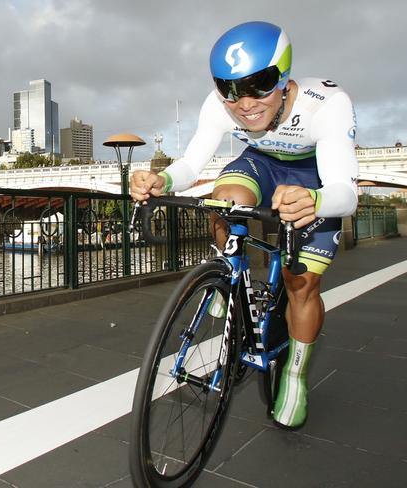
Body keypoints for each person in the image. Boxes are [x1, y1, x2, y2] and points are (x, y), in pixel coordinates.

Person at [130, 21, 358, 428]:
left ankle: (294, 373)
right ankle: (231, 274)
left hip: (314, 174)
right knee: (224, 198)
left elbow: (346, 191)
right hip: (261, 164)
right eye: (229, 88)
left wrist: (316, 200)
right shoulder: (217, 106)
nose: (244, 102)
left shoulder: (328, 103)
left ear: (284, 77)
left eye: (259, 85)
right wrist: (160, 180)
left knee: (300, 283)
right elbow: (190, 164)